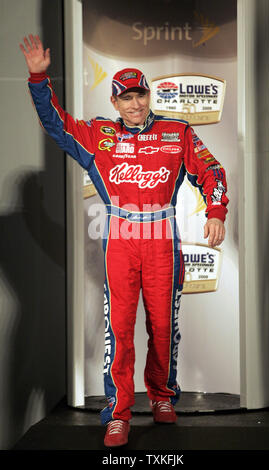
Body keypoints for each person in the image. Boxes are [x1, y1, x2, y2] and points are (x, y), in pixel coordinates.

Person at [20, 34, 228, 447]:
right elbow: (56, 124)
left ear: (149, 96)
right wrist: (39, 79)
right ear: (114, 102)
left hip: (163, 240)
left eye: (140, 95)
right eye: (126, 98)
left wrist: (216, 212)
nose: (135, 104)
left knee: (163, 327)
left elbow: (211, 170)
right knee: (120, 329)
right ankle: (117, 413)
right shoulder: (99, 136)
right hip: (121, 238)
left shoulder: (177, 132)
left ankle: (162, 396)